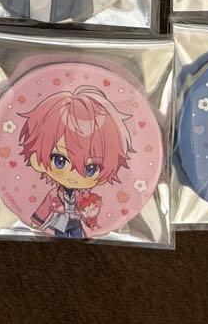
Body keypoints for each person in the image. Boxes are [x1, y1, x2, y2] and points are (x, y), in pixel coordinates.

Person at [18, 85, 133, 239]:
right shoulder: (54, 194)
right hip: (59, 223)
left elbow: (87, 212)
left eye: (90, 168)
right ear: (36, 160)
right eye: (59, 161)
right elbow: (45, 207)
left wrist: (93, 221)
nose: (73, 176)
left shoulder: (85, 197)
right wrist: (36, 221)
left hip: (77, 224)